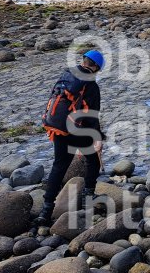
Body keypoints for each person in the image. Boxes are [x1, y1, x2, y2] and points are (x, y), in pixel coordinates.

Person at [39, 50, 106, 224]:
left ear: (84, 61)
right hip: (77, 130)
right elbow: (92, 116)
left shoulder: (66, 75)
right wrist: (98, 139)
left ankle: (46, 210)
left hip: (57, 127)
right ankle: (87, 199)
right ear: (97, 67)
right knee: (93, 161)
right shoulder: (91, 84)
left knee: (59, 166)